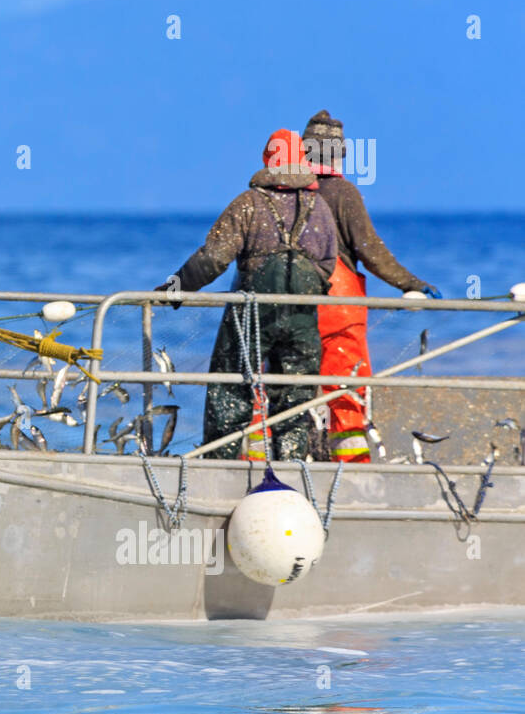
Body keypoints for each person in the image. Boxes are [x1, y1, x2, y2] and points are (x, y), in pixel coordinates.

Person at [157, 129, 337, 460]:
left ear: (268, 159)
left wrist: (173, 289)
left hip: (252, 316)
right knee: (295, 400)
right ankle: (292, 473)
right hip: (301, 317)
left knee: (231, 389)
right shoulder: (321, 207)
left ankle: (218, 468)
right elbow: (329, 263)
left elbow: (212, 259)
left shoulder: (249, 204)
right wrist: (307, 287)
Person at [300, 110, 439, 462]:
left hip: (292, 307)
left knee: (287, 388)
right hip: (336, 309)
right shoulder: (343, 194)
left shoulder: (287, 196)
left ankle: (281, 461)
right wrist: (412, 283)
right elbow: (370, 250)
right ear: (339, 154)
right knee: (345, 390)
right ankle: (351, 470)